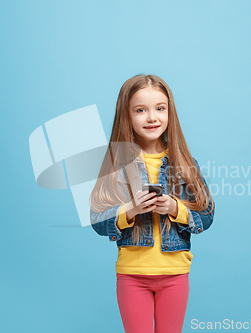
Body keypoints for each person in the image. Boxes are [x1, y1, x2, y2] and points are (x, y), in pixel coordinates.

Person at [90, 74, 215, 333]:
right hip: (132, 275)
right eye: (140, 110)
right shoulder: (116, 164)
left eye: (160, 108)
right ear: (126, 114)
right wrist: (131, 210)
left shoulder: (184, 162)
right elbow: (98, 220)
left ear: (170, 113)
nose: (152, 118)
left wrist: (174, 208)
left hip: (175, 274)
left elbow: (206, 215)